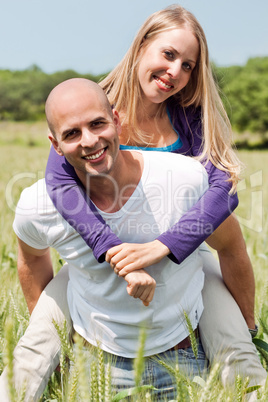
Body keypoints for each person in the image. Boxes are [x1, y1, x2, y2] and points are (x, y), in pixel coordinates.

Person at [43, 2, 265, 384]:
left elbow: (223, 192)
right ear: (142, 44)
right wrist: (111, 249)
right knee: (36, 344)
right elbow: (59, 183)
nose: (175, 72)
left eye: (188, 65)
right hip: (100, 258)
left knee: (238, 347)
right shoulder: (94, 107)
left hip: (185, 261)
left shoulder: (190, 118)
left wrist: (164, 245)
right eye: (168, 54)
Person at [1, 78, 212, 401]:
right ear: (55, 145)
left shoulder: (184, 177)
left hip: (183, 361)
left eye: (97, 124)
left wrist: (246, 330)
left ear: (116, 120)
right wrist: (53, 331)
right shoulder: (38, 204)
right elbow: (30, 256)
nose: (89, 141)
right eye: (71, 133)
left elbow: (230, 246)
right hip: (94, 369)